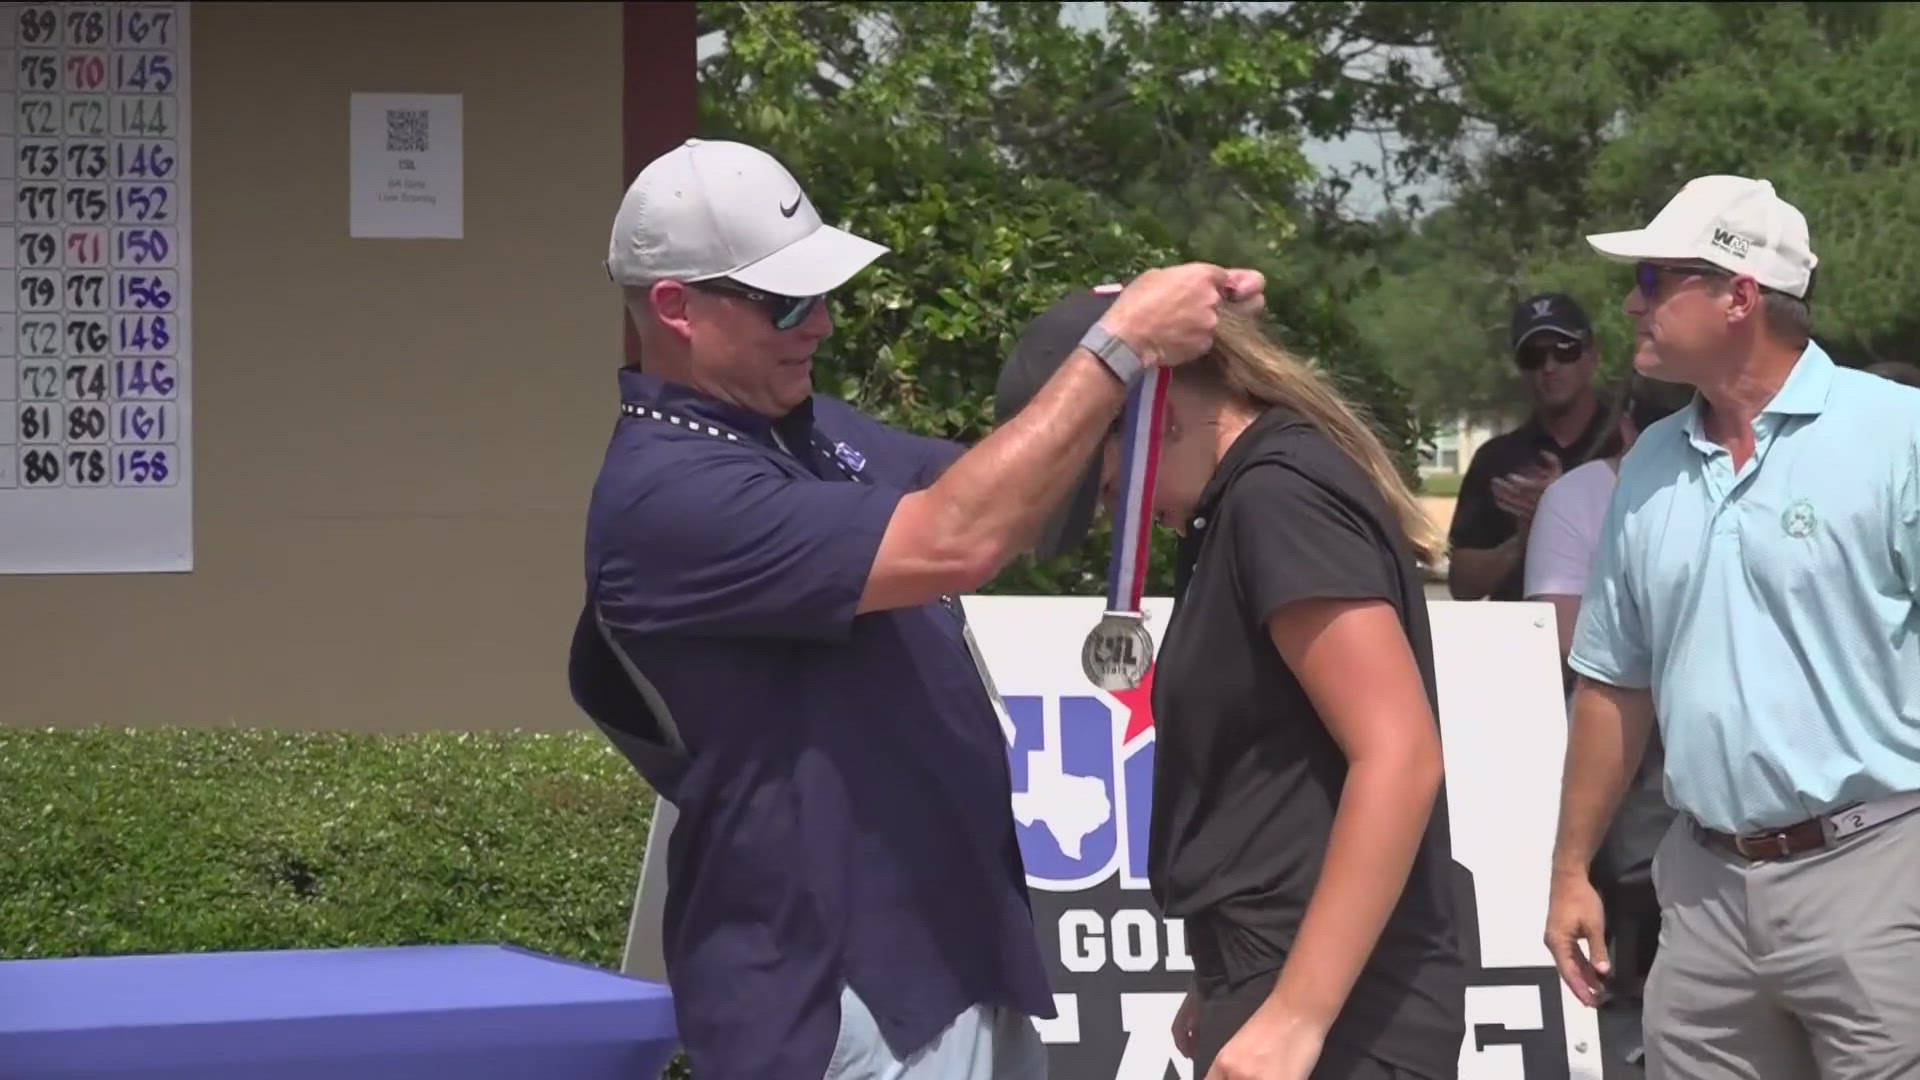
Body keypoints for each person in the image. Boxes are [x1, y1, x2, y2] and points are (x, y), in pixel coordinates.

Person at [568, 136, 1267, 1080]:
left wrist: (1143, 334)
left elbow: (1021, 500)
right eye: (784, 300)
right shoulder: (666, 491)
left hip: (944, 960)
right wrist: (1124, 343)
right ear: (674, 307)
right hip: (839, 992)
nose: (816, 323)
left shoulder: (804, 432)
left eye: (821, 293)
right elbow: (957, 538)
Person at [995, 292, 1467, 1080]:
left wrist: (1295, 1015)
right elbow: (1279, 775)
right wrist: (1223, 979)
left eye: (1107, 490)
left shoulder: (1277, 497)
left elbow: (1400, 756)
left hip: (1342, 1008)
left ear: (1157, 415)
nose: (1125, 520)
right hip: (1277, 970)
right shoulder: (1242, 504)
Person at [1545, 174, 1920, 1079]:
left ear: (1739, 294)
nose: (1631, 304)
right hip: (1704, 892)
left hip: (1880, 867)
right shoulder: (1646, 470)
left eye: (1654, 280)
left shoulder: (1899, 435)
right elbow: (1612, 686)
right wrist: (1569, 871)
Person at [1522, 374, 1688, 1079]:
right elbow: (1564, 636)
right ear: (1626, 435)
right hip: (1628, 727)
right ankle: (1628, 998)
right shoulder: (1583, 496)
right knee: (1632, 869)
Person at [1448, 293, 1621, 602]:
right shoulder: (1496, 460)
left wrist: (1564, 507)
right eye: (1532, 356)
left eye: (1564, 351)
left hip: (1612, 639)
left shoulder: (1633, 443)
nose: (1549, 366)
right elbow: (1462, 585)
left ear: (1593, 355)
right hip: (1520, 641)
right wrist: (1524, 539)